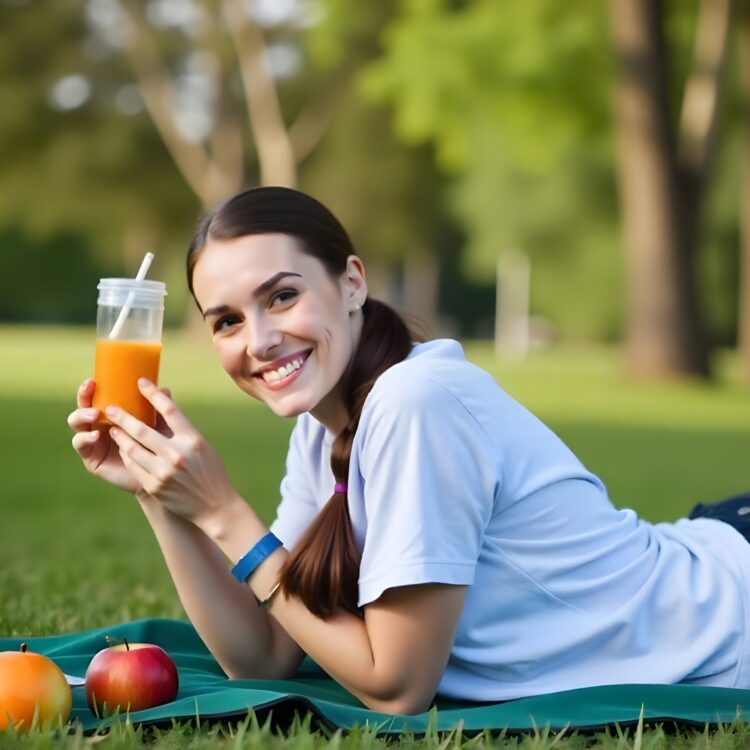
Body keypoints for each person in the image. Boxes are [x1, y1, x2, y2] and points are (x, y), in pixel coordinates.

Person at [68, 186, 750, 716]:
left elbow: (396, 690)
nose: (261, 340)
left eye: (282, 295)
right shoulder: (322, 428)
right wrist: (161, 496)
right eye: (228, 321)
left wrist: (227, 515)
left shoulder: (417, 401)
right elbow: (267, 654)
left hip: (729, 608)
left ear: (353, 283)